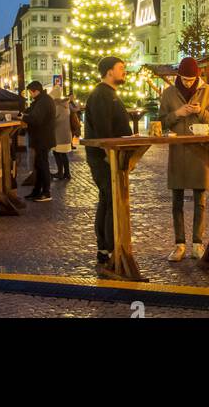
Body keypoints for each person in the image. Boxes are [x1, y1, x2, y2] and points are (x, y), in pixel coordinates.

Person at [158, 57, 209, 262]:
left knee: (200, 199)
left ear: (197, 77)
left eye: (191, 79)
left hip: (199, 151)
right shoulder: (168, 93)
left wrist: (200, 111)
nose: (187, 83)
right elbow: (161, 122)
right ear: (178, 76)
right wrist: (177, 113)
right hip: (177, 150)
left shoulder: (207, 91)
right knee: (176, 199)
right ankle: (179, 244)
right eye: (184, 79)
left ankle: (197, 243)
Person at [84, 56, 132, 267]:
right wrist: (109, 154)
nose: (125, 72)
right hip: (105, 158)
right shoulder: (101, 95)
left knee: (107, 199)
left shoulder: (107, 94)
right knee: (112, 199)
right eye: (121, 68)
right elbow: (104, 130)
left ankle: (104, 248)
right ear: (109, 72)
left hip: (109, 156)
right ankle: (112, 247)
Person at [21, 80, 56, 201]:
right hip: (41, 138)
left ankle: (46, 193)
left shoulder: (43, 101)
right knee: (39, 165)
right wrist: (24, 114)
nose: (30, 95)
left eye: (31, 92)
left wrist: (23, 117)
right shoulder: (41, 100)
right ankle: (37, 191)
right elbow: (31, 112)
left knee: (42, 165)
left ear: (36, 91)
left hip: (43, 138)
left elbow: (36, 119)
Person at [50, 87, 73, 180]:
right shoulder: (65, 105)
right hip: (64, 134)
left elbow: (53, 120)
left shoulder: (58, 107)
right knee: (62, 154)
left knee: (57, 153)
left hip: (59, 134)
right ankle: (66, 173)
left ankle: (61, 173)